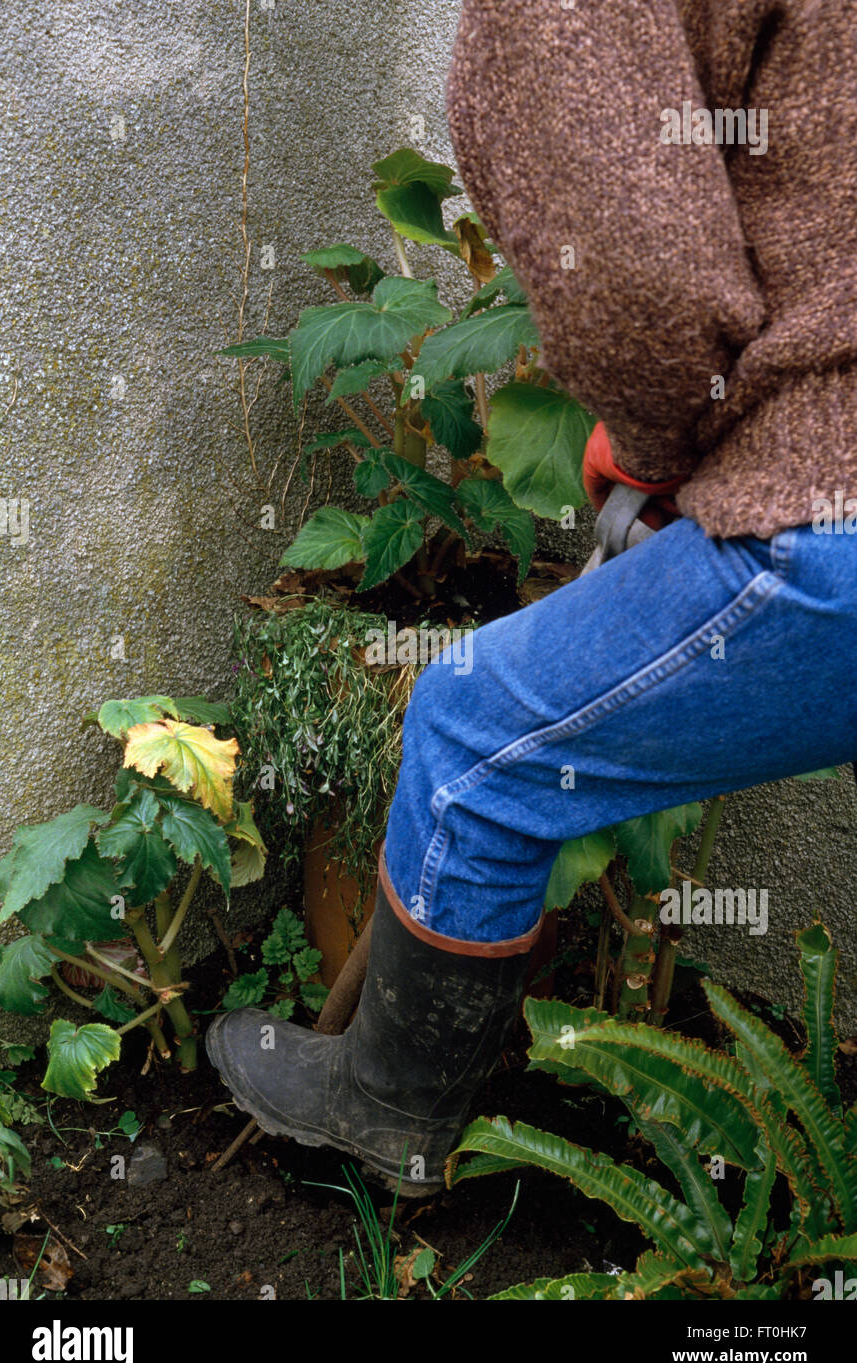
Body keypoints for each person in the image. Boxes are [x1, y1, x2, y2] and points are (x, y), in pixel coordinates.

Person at [207, 0, 857, 1194]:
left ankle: (386, 1109)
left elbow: (633, 259)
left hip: (832, 508)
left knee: (471, 733)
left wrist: (659, 439)